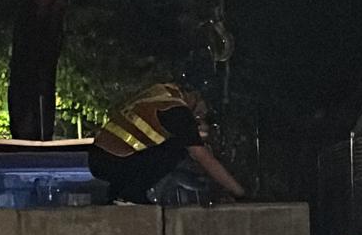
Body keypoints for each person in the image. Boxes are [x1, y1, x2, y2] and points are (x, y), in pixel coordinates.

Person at [88, 83, 246, 204]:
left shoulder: (162, 92)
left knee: (166, 149)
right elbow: (202, 157)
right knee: (179, 148)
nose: (202, 116)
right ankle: (131, 195)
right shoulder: (179, 111)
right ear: (198, 97)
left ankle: (118, 195)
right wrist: (240, 193)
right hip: (115, 160)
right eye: (206, 111)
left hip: (100, 157)